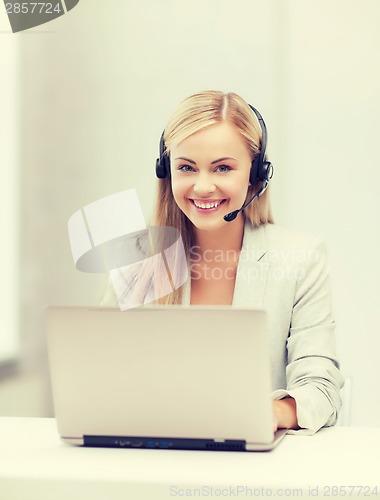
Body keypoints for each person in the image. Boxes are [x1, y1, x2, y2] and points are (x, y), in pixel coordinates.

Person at [101, 90, 344, 435]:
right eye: (186, 167)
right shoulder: (141, 258)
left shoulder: (301, 258)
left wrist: (270, 413)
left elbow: (321, 388)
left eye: (223, 168)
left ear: (256, 174)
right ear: (166, 172)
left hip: (253, 462)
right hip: (156, 455)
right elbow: (101, 374)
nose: (202, 186)